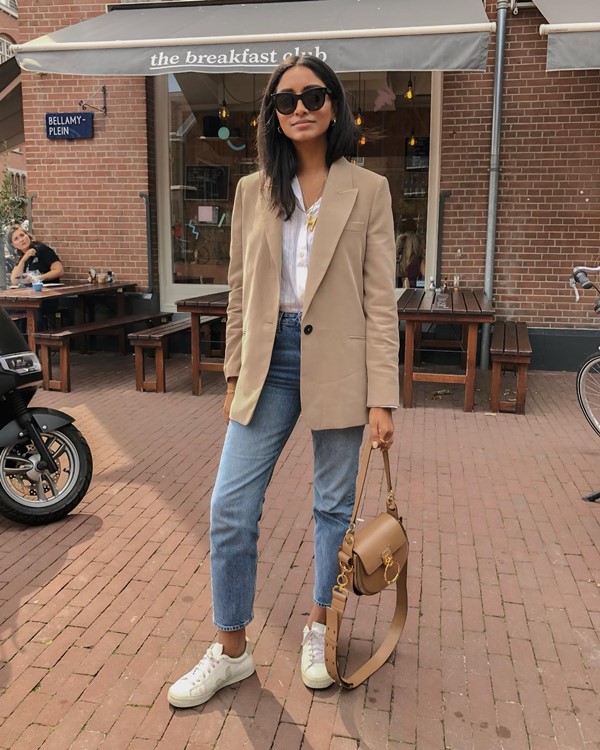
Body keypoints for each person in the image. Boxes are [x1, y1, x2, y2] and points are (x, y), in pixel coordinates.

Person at [167, 55, 400, 709]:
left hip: (341, 368)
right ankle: (231, 650)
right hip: (268, 366)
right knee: (229, 508)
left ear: (334, 106)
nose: (300, 107)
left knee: (332, 509)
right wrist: (234, 373)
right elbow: (242, 293)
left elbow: (380, 301)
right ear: (272, 112)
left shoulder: (369, 190)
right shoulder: (252, 192)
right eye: (286, 98)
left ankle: (320, 627)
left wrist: (383, 397)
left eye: (314, 95)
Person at [396, 218, 424, 288]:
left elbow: (395, 251)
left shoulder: (401, 238)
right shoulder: (417, 238)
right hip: (413, 271)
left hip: (404, 267)